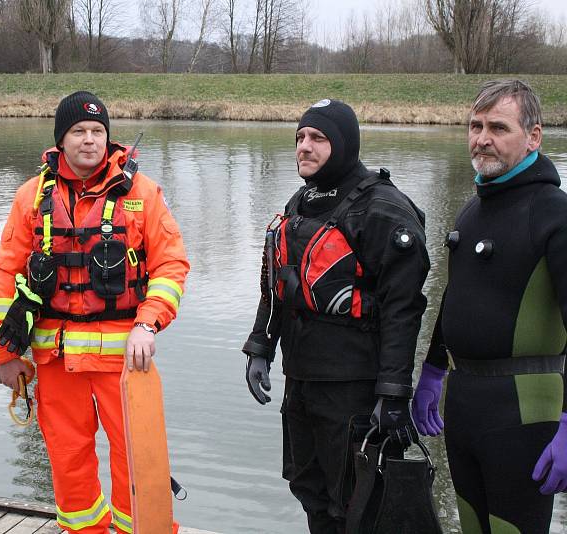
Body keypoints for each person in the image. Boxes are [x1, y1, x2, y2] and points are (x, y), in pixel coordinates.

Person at [0, 91, 189, 534]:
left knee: (137, 459)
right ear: (61, 140)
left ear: (108, 138)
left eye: (98, 132)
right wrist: (5, 353)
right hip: (55, 360)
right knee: (68, 460)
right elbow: (7, 275)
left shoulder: (142, 193)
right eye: (78, 131)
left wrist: (147, 321)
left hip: (125, 361)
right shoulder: (31, 197)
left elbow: (171, 265)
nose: (89, 140)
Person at [242, 99, 430, 533]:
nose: (304, 147)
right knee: (310, 490)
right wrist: (260, 347)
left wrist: (394, 392)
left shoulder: (383, 210)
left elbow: (404, 309)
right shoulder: (300, 204)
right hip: (303, 381)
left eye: (318, 139)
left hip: (355, 390)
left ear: (344, 145)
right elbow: (277, 283)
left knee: (358, 503)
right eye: (300, 138)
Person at [413, 79, 567, 533]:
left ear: (533, 136)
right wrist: (433, 370)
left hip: (524, 411)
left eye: (498, 127)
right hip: (463, 404)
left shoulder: (555, 214)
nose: (482, 138)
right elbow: (454, 298)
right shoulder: (470, 211)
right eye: (475, 125)